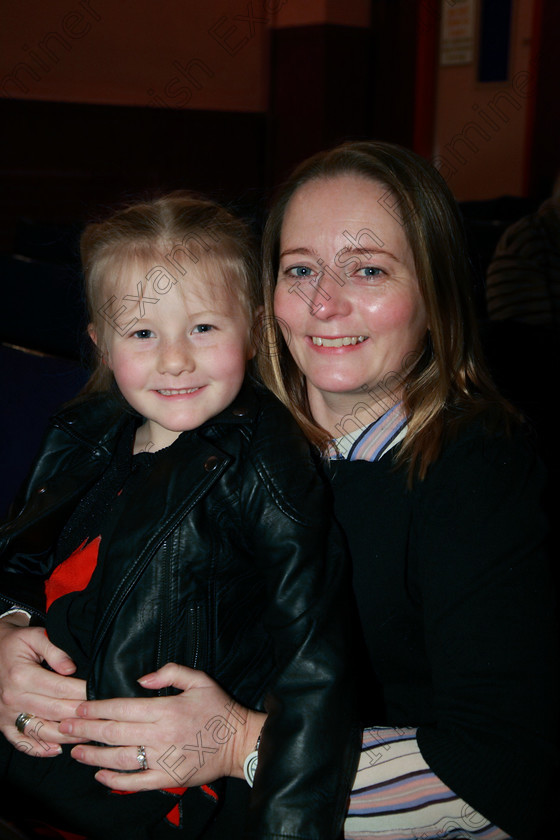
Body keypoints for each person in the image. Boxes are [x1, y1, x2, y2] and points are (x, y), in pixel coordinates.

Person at [1, 143, 557, 840]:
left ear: (436, 289)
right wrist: (11, 634)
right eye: (300, 269)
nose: (324, 302)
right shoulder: (205, 411)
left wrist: (242, 746)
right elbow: (51, 550)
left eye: (368, 269)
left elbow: (508, 773)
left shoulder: (480, 475)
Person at [0, 193, 358, 839]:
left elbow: (314, 665)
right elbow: (22, 561)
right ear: (101, 344)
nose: (174, 359)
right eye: (142, 333)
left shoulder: (271, 470)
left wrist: (290, 823)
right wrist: (7, 625)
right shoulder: (83, 432)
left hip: (152, 795)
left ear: (252, 329)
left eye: (203, 327)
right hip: (37, 759)